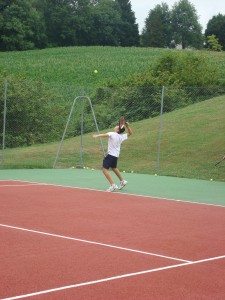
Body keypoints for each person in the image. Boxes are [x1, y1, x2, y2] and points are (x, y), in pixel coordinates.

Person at [92, 122, 133, 192]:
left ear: (117, 130)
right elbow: (130, 133)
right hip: (116, 155)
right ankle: (122, 181)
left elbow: (105, 135)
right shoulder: (122, 136)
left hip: (111, 155)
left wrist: (97, 136)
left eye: (117, 126)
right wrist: (128, 126)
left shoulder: (112, 134)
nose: (116, 126)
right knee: (114, 168)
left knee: (104, 169)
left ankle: (113, 185)